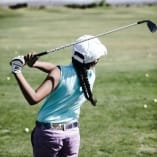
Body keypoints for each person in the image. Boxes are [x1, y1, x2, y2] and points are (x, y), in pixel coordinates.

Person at [10, 35, 107, 157]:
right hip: (72, 134)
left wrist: (17, 70)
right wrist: (35, 64)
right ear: (95, 61)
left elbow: (33, 98)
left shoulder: (59, 73)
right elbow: (57, 70)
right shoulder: (90, 75)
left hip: (49, 135)